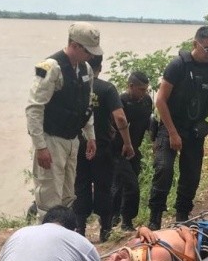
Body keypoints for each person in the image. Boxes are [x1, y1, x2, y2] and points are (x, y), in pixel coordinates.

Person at [146, 26, 208, 229]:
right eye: (206, 48)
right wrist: (172, 133)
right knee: (163, 169)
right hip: (170, 125)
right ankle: (155, 216)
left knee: (191, 174)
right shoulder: (178, 66)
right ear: (195, 44)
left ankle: (182, 215)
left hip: (195, 129)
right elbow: (161, 101)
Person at [26, 22, 102, 223]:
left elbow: (87, 105)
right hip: (52, 140)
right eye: (88, 51)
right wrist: (40, 146)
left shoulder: (85, 68)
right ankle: (44, 239)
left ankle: (63, 235)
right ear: (75, 45)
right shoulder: (51, 67)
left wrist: (91, 136)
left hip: (72, 139)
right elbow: (34, 108)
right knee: (49, 197)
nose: (92, 56)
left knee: (68, 194)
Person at [73, 55, 134, 242]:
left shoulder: (75, 86)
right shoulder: (107, 89)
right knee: (104, 186)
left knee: (80, 185)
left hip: (78, 145)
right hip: (102, 146)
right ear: (100, 66)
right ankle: (105, 231)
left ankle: (80, 229)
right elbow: (121, 118)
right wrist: (127, 143)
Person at [111, 71, 153, 231]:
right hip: (117, 151)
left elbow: (150, 122)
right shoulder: (120, 102)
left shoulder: (146, 101)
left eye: (146, 89)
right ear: (131, 86)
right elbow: (110, 126)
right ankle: (125, 220)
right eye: (141, 89)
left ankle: (114, 216)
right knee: (131, 185)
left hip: (134, 150)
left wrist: (153, 140)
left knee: (120, 185)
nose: (144, 93)